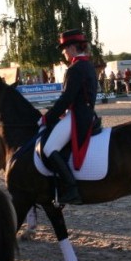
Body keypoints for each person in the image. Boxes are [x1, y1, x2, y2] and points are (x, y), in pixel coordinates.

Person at [39, 28, 98, 205]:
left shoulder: (75, 68)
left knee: (49, 148)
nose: (63, 52)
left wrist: (47, 118)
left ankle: (71, 189)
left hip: (78, 116)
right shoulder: (88, 65)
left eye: (64, 48)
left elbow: (66, 99)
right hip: (88, 113)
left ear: (72, 48)